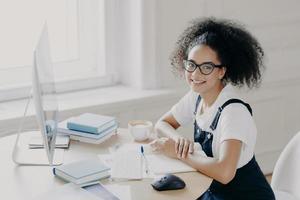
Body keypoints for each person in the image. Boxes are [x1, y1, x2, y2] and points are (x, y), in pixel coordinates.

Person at [150, 18, 275, 200]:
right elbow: (162, 124)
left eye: (206, 67)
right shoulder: (197, 95)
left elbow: (225, 173)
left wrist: (178, 153)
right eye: (191, 65)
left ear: (221, 71)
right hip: (212, 191)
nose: (195, 74)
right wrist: (179, 142)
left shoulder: (233, 111)